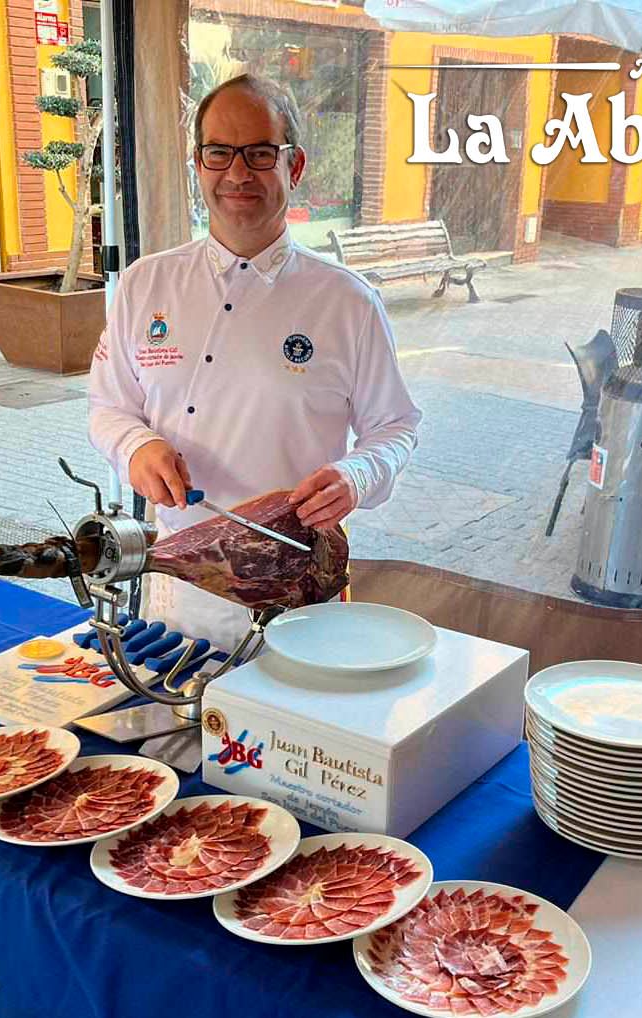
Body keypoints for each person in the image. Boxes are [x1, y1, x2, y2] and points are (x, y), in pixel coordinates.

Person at [88, 74, 421, 644]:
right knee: (176, 723)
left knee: (291, 732)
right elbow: (107, 406)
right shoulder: (146, 285)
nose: (238, 173)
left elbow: (396, 427)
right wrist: (135, 446)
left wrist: (356, 475)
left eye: (261, 153)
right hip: (178, 588)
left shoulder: (346, 301)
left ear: (294, 167)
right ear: (199, 164)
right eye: (219, 153)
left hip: (299, 593)